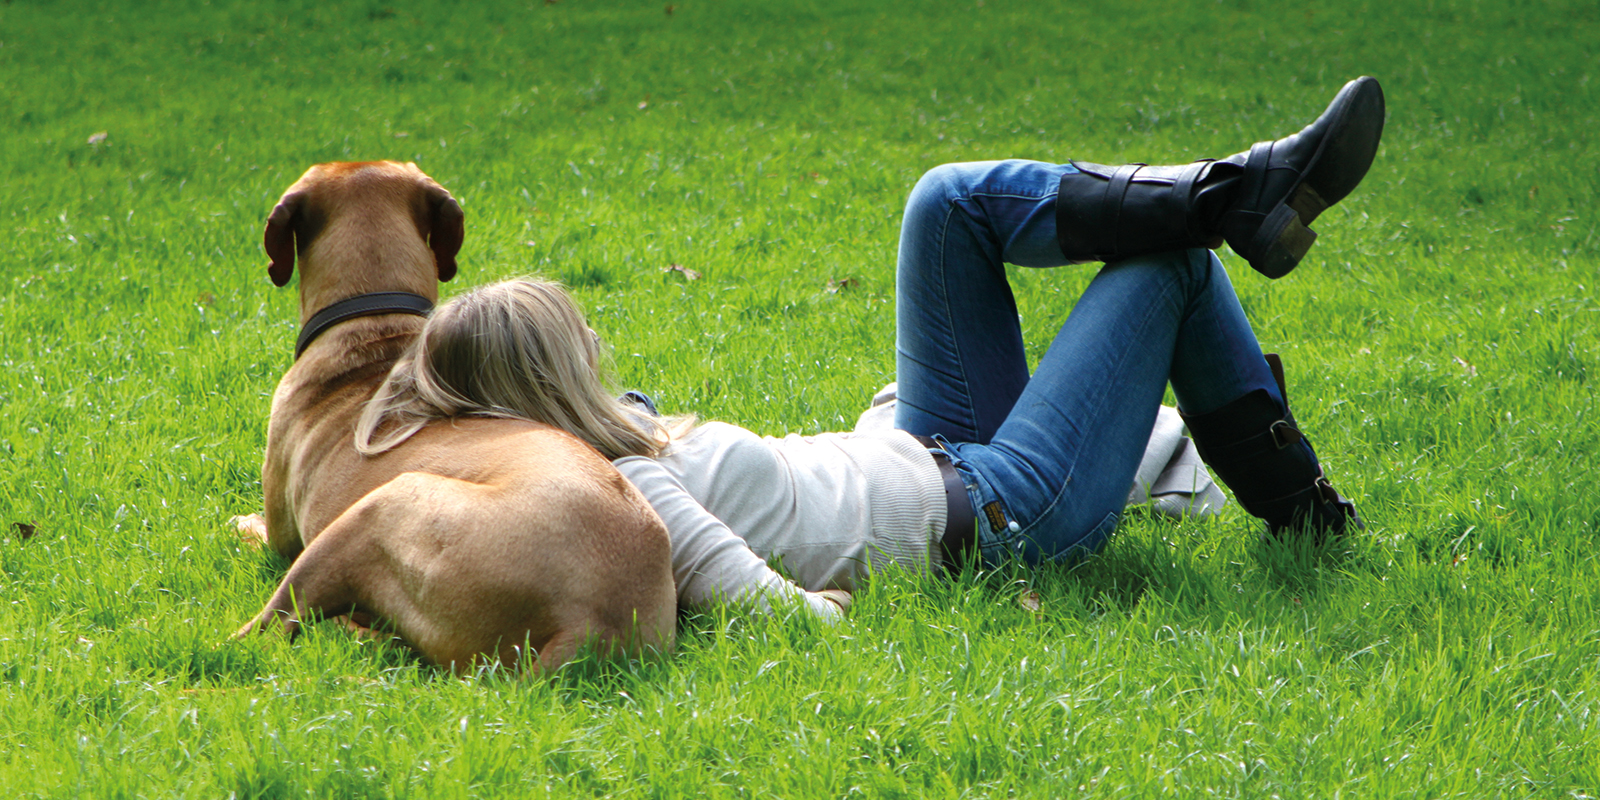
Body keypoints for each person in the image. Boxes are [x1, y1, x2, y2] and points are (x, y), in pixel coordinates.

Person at [355, 77, 1385, 621]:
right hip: (1002, 512)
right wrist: (824, 610)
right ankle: (1303, 509)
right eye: (571, 332)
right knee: (1170, 272)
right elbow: (750, 594)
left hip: (933, 442)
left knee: (943, 204)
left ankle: (1234, 190)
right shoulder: (625, 490)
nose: (594, 334)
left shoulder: (618, 433)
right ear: (545, 379)